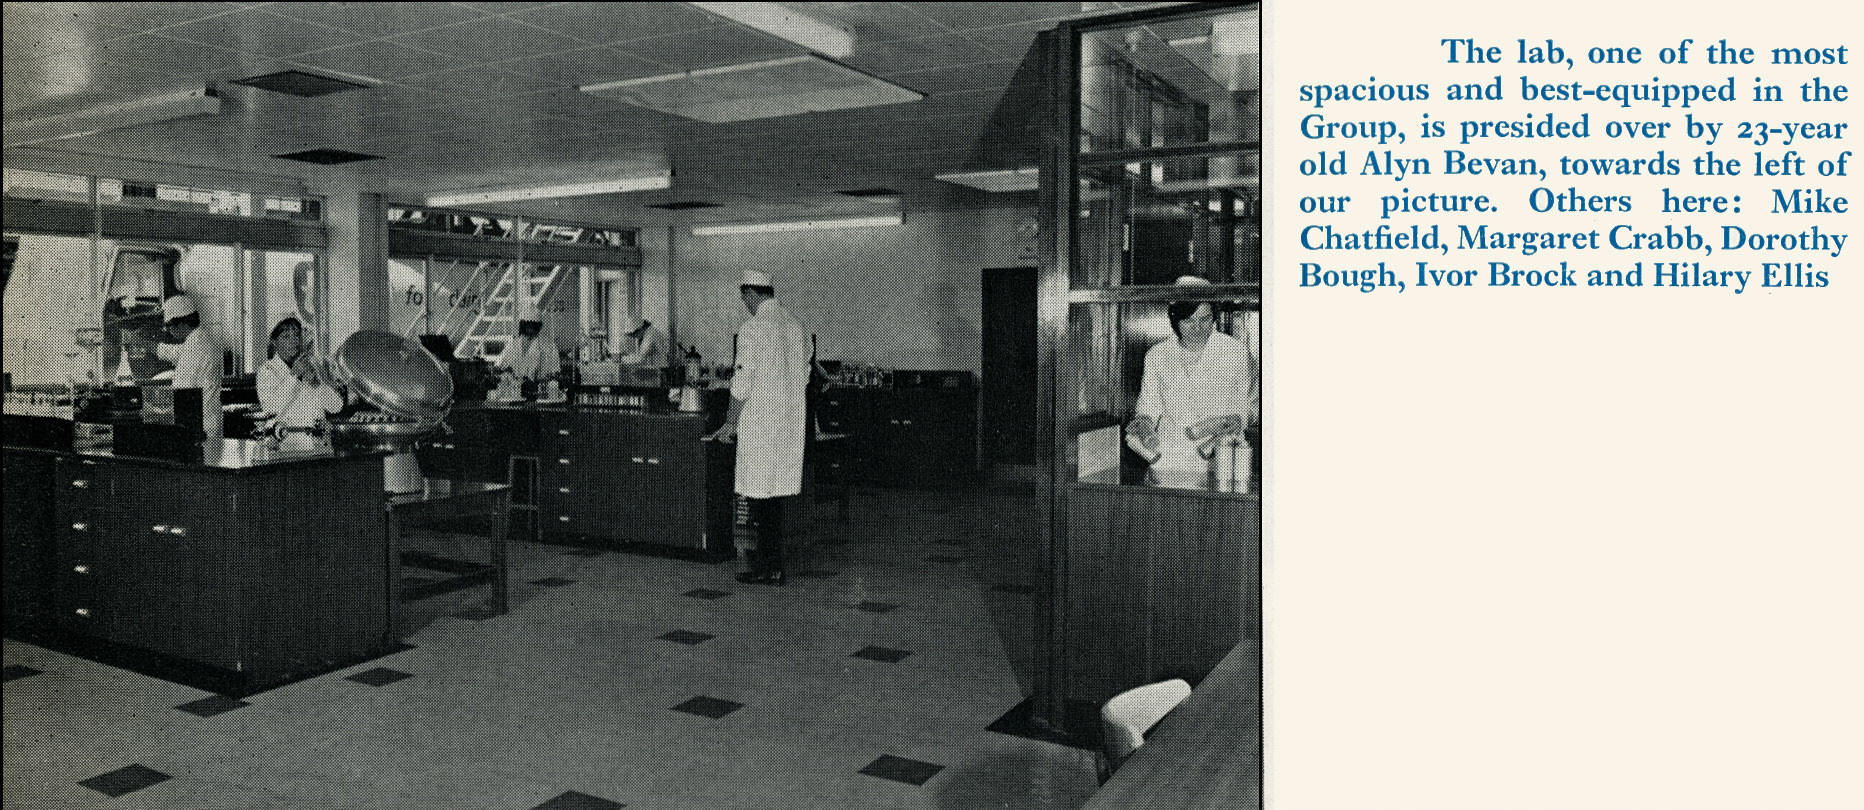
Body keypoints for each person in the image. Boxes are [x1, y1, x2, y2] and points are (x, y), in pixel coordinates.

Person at [707, 270, 810, 586]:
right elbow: (805, 375)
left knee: (760, 498)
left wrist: (730, 422)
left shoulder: (752, 329)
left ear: (751, 293)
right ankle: (772, 564)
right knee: (774, 498)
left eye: (744, 298)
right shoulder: (796, 327)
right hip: (788, 426)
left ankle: (767, 567)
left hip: (761, 427)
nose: (745, 304)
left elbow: (741, 384)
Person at [1128, 277, 1259, 490]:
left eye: (1205, 319)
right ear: (1175, 319)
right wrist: (1143, 425)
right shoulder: (1157, 355)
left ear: (1214, 316)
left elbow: (1257, 402)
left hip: (1222, 459)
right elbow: (1147, 408)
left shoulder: (1237, 352)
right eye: (1189, 320)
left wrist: (1240, 418)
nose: (1197, 328)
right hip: (1168, 462)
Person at [155, 294, 224, 440]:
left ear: (182, 323)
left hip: (201, 426)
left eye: (169, 326)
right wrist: (147, 345)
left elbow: (182, 392)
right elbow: (174, 352)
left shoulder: (196, 348)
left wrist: (157, 410)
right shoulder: (199, 340)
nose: (168, 331)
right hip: (207, 422)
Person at [257, 317, 345, 430]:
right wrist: (294, 376)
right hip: (286, 441)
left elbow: (336, 407)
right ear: (274, 342)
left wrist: (316, 383)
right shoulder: (267, 371)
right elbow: (271, 408)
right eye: (286, 336)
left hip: (317, 440)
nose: (294, 340)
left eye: (297, 335)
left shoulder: (313, 365)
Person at [497, 301, 558, 398]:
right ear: (522, 327)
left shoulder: (548, 345)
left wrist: (544, 380)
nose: (530, 331)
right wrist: (507, 373)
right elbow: (502, 367)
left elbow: (554, 372)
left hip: (539, 393)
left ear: (538, 328)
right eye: (527, 327)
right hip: (515, 393)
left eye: (533, 327)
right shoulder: (513, 344)